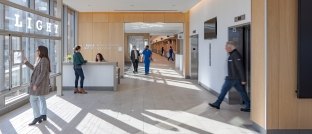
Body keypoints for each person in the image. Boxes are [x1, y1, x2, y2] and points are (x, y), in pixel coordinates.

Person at [208, 41, 250, 112]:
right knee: (242, 92)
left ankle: (217, 103)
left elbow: (240, 68)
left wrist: (243, 79)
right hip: (234, 78)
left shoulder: (236, 55)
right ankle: (248, 105)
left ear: (230, 47)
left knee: (223, 90)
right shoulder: (232, 54)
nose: (225, 49)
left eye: (226, 47)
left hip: (233, 78)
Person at [24, 46, 51, 125]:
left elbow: (42, 73)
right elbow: (35, 69)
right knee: (41, 98)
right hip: (40, 84)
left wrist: (36, 84)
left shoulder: (44, 60)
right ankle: (43, 115)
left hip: (39, 84)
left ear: (42, 51)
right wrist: (26, 62)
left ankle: (37, 117)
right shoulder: (40, 59)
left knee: (32, 100)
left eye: (38, 51)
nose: (36, 52)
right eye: (36, 51)